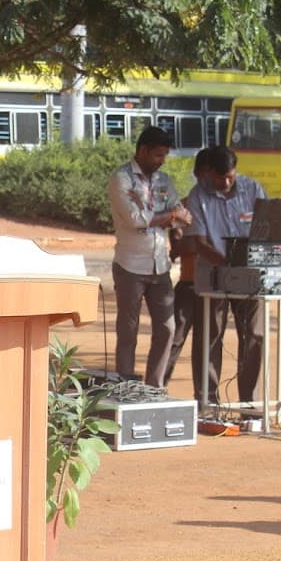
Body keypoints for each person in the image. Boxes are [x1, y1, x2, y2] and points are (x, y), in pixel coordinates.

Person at [107, 125, 192, 387]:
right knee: (128, 330)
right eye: (157, 155)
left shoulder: (164, 180)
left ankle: (155, 387)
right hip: (130, 264)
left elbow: (180, 216)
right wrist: (169, 217)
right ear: (142, 151)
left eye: (164, 156)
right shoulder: (121, 179)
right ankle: (126, 387)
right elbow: (136, 220)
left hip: (160, 265)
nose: (161, 161)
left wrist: (170, 218)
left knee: (167, 328)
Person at [182, 145, 268, 404]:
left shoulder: (253, 189)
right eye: (221, 178)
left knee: (254, 335)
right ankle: (207, 403)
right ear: (209, 174)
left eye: (231, 176)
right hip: (212, 277)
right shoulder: (198, 196)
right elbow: (199, 242)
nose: (227, 182)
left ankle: (249, 403)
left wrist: (249, 262)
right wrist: (229, 265)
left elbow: (268, 226)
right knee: (209, 337)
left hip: (251, 277)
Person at [163, 148, 210, 384]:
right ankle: (157, 390)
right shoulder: (183, 207)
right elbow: (180, 245)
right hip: (190, 284)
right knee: (174, 339)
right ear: (199, 174)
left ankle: (206, 400)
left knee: (208, 346)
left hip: (213, 289)